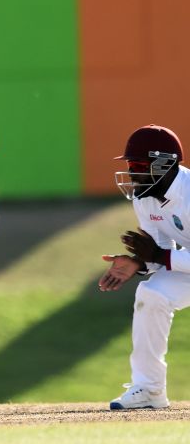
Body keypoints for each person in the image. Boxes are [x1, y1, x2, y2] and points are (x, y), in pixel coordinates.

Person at [99, 124, 190, 410]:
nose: (132, 174)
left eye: (139, 165)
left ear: (166, 163)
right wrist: (138, 262)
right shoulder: (145, 196)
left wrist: (160, 257)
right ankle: (149, 390)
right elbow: (160, 251)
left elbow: (165, 256)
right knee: (152, 294)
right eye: (130, 165)